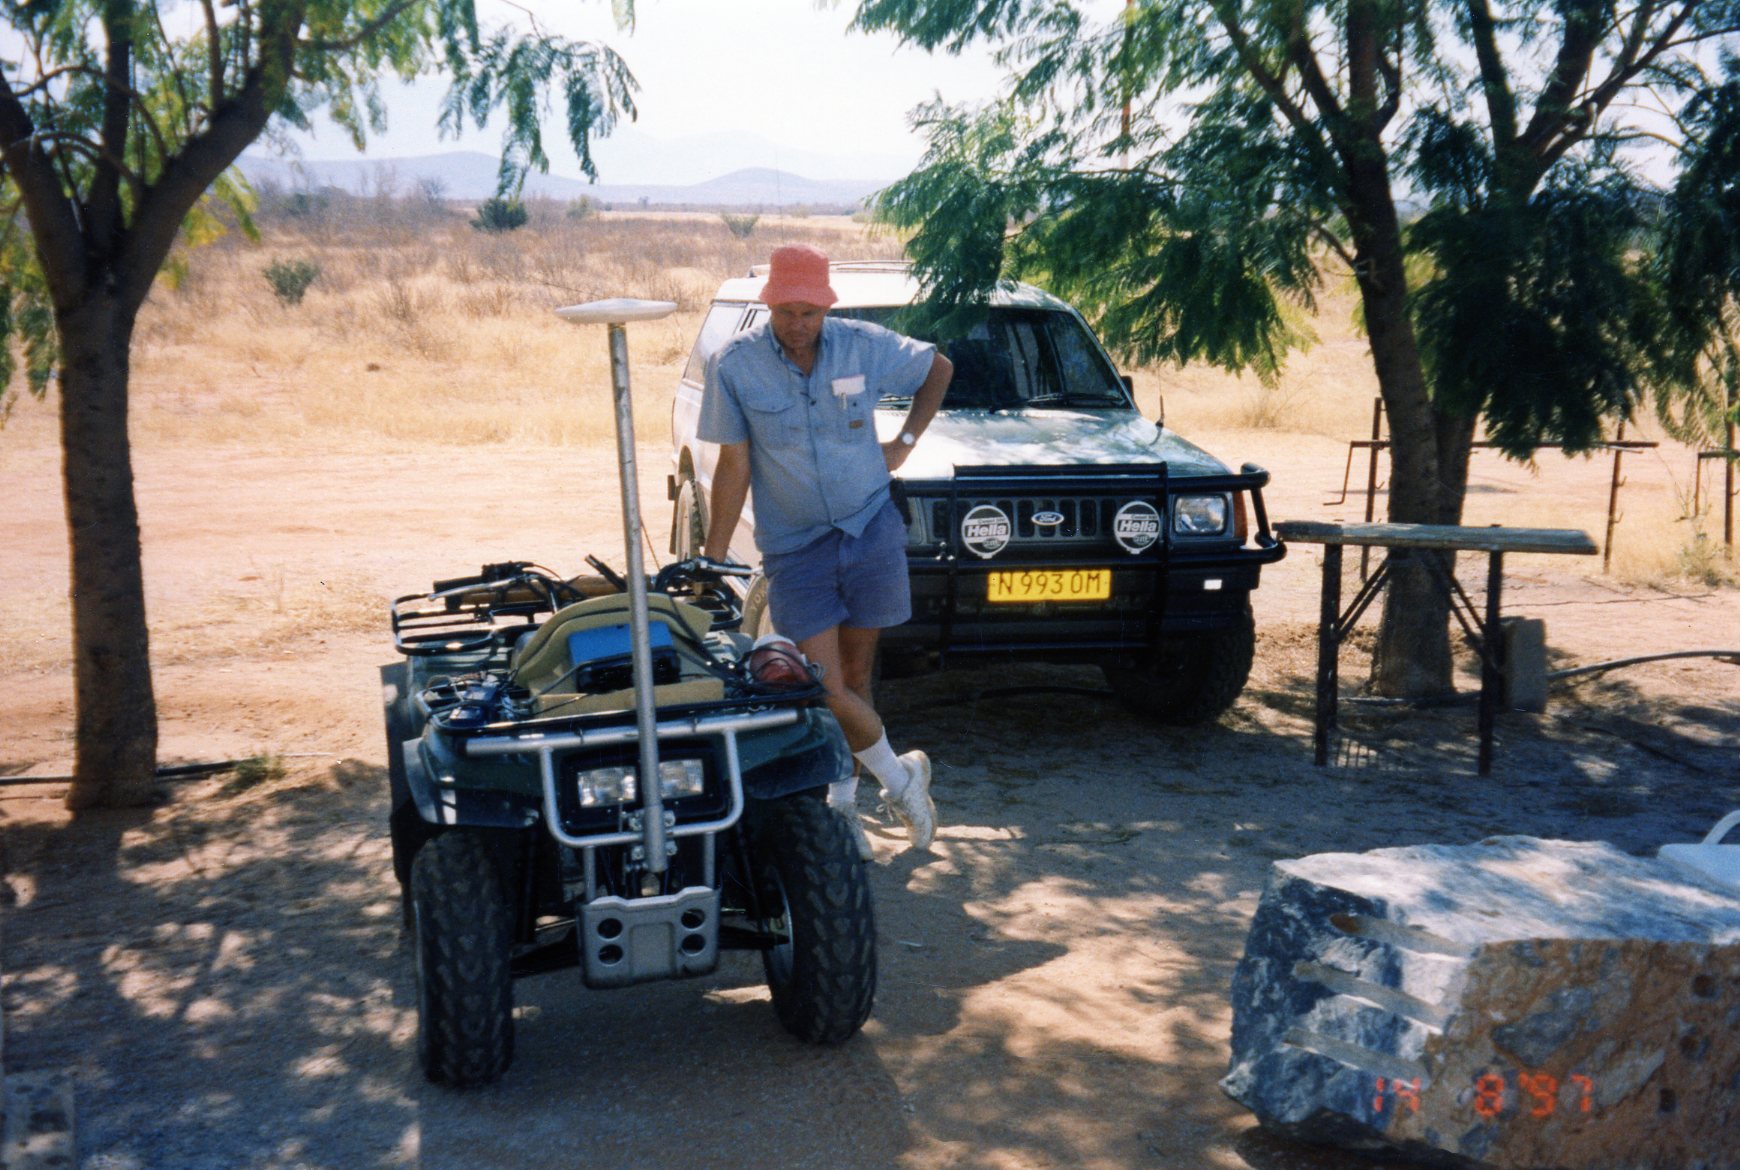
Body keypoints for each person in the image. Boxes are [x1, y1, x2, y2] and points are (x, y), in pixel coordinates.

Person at [698, 245, 953, 857]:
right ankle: (901, 778)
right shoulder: (735, 366)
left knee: (858, 676)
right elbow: (733, 466)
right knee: (819, 684)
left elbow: (937, 367)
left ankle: (842, 807)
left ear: (826, 307)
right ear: (769, 306)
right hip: (796, 548)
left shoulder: (862, 344)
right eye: (787, 311)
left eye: (809, 312)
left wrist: (906, 442)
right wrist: (709, 558)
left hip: (870, 530)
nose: (798, 325)